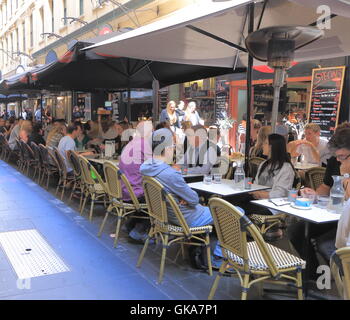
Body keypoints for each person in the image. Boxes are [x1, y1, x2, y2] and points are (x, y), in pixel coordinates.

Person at [140, 128, 229, 267]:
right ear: (168, 148)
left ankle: (205, 250)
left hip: (165, 216)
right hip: (185, 217)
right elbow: (194, 199)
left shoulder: (145, 169)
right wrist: (185, 196)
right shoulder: (170, 175)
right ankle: (217, 259)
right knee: (235, 212)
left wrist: (180, 195)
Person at [287, 128, 350, 281]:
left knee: (325, 245)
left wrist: (345, 177)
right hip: (334, 215)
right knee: (296, 230)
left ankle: (343, 280)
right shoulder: (336, 162)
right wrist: (314, 194)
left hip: (345, 222)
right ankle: (315, 275)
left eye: (342, 156)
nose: (339, 160)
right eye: (337, 156)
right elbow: (326, 187)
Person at [118, 121, 153, 242]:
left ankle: (129, 224)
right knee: (159, 199)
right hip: (135, 192)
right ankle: (139, 231)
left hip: (124, 190)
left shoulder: (130, 144)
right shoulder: (144, 144)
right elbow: (154, 167)